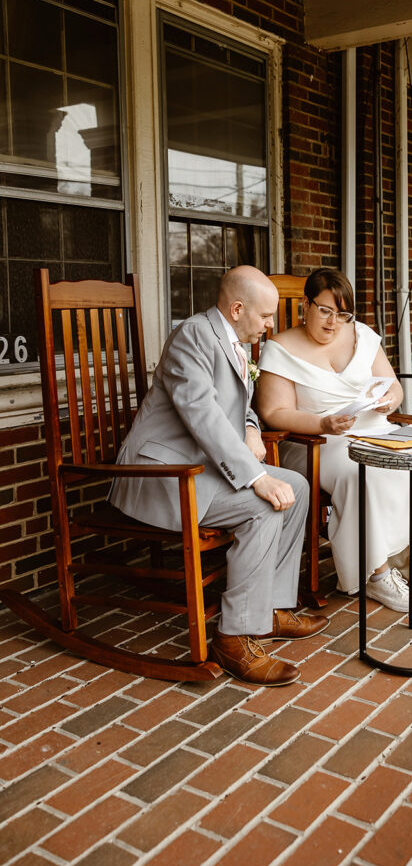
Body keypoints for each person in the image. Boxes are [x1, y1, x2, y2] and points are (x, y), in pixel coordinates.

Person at [109, 266, 327, 687]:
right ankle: (233, 638)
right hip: (163, 474)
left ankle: (271, 608)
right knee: (263, 506)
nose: (270, 326)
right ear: (238, 308)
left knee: (297, 486)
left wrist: (249, 427)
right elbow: (203, 415)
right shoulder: (192, 336)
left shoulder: (235, 340)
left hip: (203, 468)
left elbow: (236, 404)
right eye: (265, 317)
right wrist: (256, 479)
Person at [256, 267, 412, 612]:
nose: (334, 322)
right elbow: (273, 412)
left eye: (343, 314)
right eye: (325, 311)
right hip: (316, 440)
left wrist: (390, 400)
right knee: (360, 472)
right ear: (306, 304)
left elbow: (394, 386)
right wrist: (323, 422)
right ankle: (377, 576)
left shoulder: (361, 335)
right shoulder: (279, 348)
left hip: (374, 428)